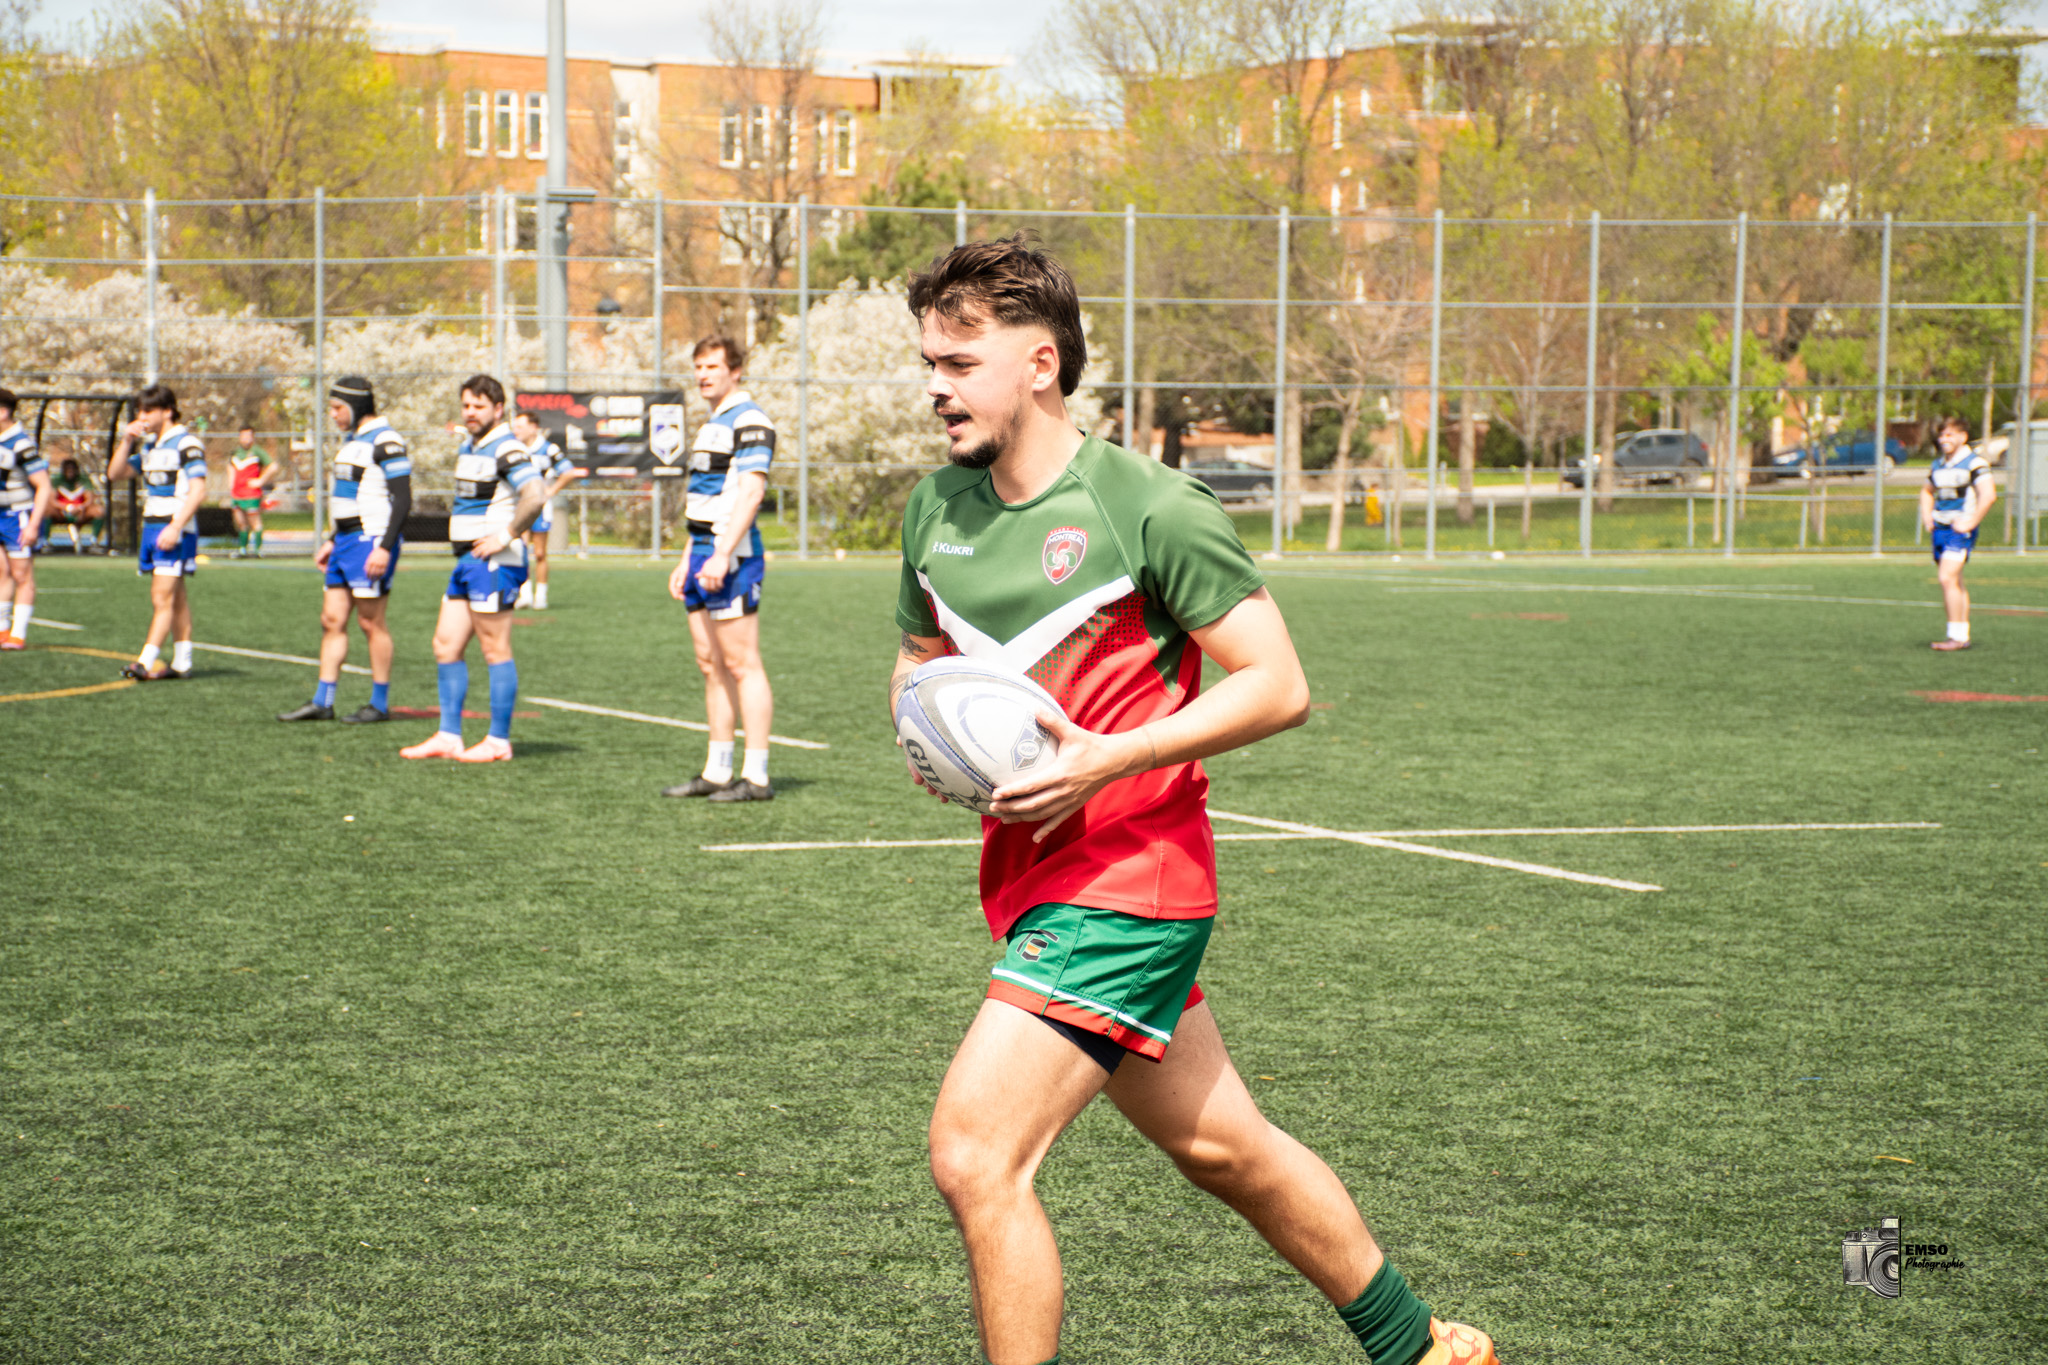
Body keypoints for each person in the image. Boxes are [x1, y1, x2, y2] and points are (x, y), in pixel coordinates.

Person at [889, 237, 1496, 1365]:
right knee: (1225, 1150)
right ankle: (1423, 1350)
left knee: (976, 1155)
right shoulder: (935, 512)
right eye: (928, 358)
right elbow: (919, 667)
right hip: (1029, 884)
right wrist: (936, 743)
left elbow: (1279, 684)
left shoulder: (1145, 505)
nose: (936, 383)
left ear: (1039, 363)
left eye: (960, 359)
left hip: (1129, 883)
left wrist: (1100, 759)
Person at [399, 374, 543, 763]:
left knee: (495, 650)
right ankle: (449, 736)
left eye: (479, 406)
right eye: (466, 405)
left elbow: (536, 495)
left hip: (494, 562)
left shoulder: (507, 448)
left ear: (499, 410)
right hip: (467, 561)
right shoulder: (470, 444)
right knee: (445, 645)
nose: (470, 412)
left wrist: (507, 535)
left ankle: (498, 741)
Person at [661, 335, 777, 802]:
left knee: (741, 664)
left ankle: (758, 776)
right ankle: (717, 769)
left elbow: (750, 494)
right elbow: (706, 501)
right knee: (710, 665)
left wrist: (722, 554)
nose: (703, 374)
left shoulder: (750, 419)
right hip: (703, 553)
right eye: (699, 366)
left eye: (712, 366)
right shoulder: (713, 422)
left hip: (733, 556)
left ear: (736, 370)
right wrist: (687, 556)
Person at [278, 377, 412, 724]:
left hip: (371, 541)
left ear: (357, 406)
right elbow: (349, 498)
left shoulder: (387, 440)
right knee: (332, 620)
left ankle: (379, 704)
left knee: (371, 622)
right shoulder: (353, 443)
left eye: (338, 408)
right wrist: (332, 539)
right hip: (345, 543)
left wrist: (384, 548)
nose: (334, 415)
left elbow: (403, 499)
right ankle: (323, 701)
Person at [107, 384, 207, 681]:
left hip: (171, 528)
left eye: (148, 410)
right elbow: (115, 474)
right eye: (139, 410)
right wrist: (126, 441)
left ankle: (144, 660)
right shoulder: (151, 446)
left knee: (161, 597)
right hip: (151, 527)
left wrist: (176, 526)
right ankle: (182, 663)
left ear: (167, 411)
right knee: (176, 599)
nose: (143, 416)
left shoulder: (186, 443)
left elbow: (199, 490)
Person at [1921, 414, 1997, 652]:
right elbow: (1926, 491)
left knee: (1946, 578)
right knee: (1956, 581)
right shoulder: (1938, 465)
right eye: (1942, 434)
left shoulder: (1975, 463)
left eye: (1949, 434)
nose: (1944, 439)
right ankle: (1961, 635)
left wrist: (1971, 522)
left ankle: (1954, 636)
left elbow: (1989, 495)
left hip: (1958, 531)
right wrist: (1927, 516)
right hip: (1941, 530)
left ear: (1963, 437)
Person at [508, 408, 579, 610]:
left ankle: (541, 595)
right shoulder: (514, 449)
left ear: (533, 427)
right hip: (519, 505)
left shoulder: (548, 449)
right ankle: (525, 594)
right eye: (515, 426)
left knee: (539, 553)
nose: (516, 430)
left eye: (520, 426)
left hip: (539, 507)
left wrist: (551, 490)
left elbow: (569, 472)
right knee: (520, 550)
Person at [0, 387, 54, 650]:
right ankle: (1, 630)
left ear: (3, 412)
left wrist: (33, 524)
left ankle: (18, 634)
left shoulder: (21, 443)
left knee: (22, 573)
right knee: (1, 571)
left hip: (17, 516)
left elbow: (43, 485)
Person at [225, 425, 278, 557]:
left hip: (251, 494)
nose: (246, 439)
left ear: (253, 437)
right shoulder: (235, 452)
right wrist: (231, 484)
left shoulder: (257, 451)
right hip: (237, 494)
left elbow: (273, 466)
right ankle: (242, 549)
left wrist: (260, 481)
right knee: (241, 522)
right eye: (243, 435)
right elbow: (230, 467)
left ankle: (258, 550)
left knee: (255, 522)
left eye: (249, 435)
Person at [50, 457, 104, 552]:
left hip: (81, 511)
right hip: (61, 512)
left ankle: (94, 542)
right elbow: (52, 500)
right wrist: (66, 507)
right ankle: (45, 543)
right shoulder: (56, 480)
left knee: (99, 511)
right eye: (67, 469)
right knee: (45, 510)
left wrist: (81, 507)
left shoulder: (84, 479)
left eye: (72, 469)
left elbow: (89, 498)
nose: (70, 472)